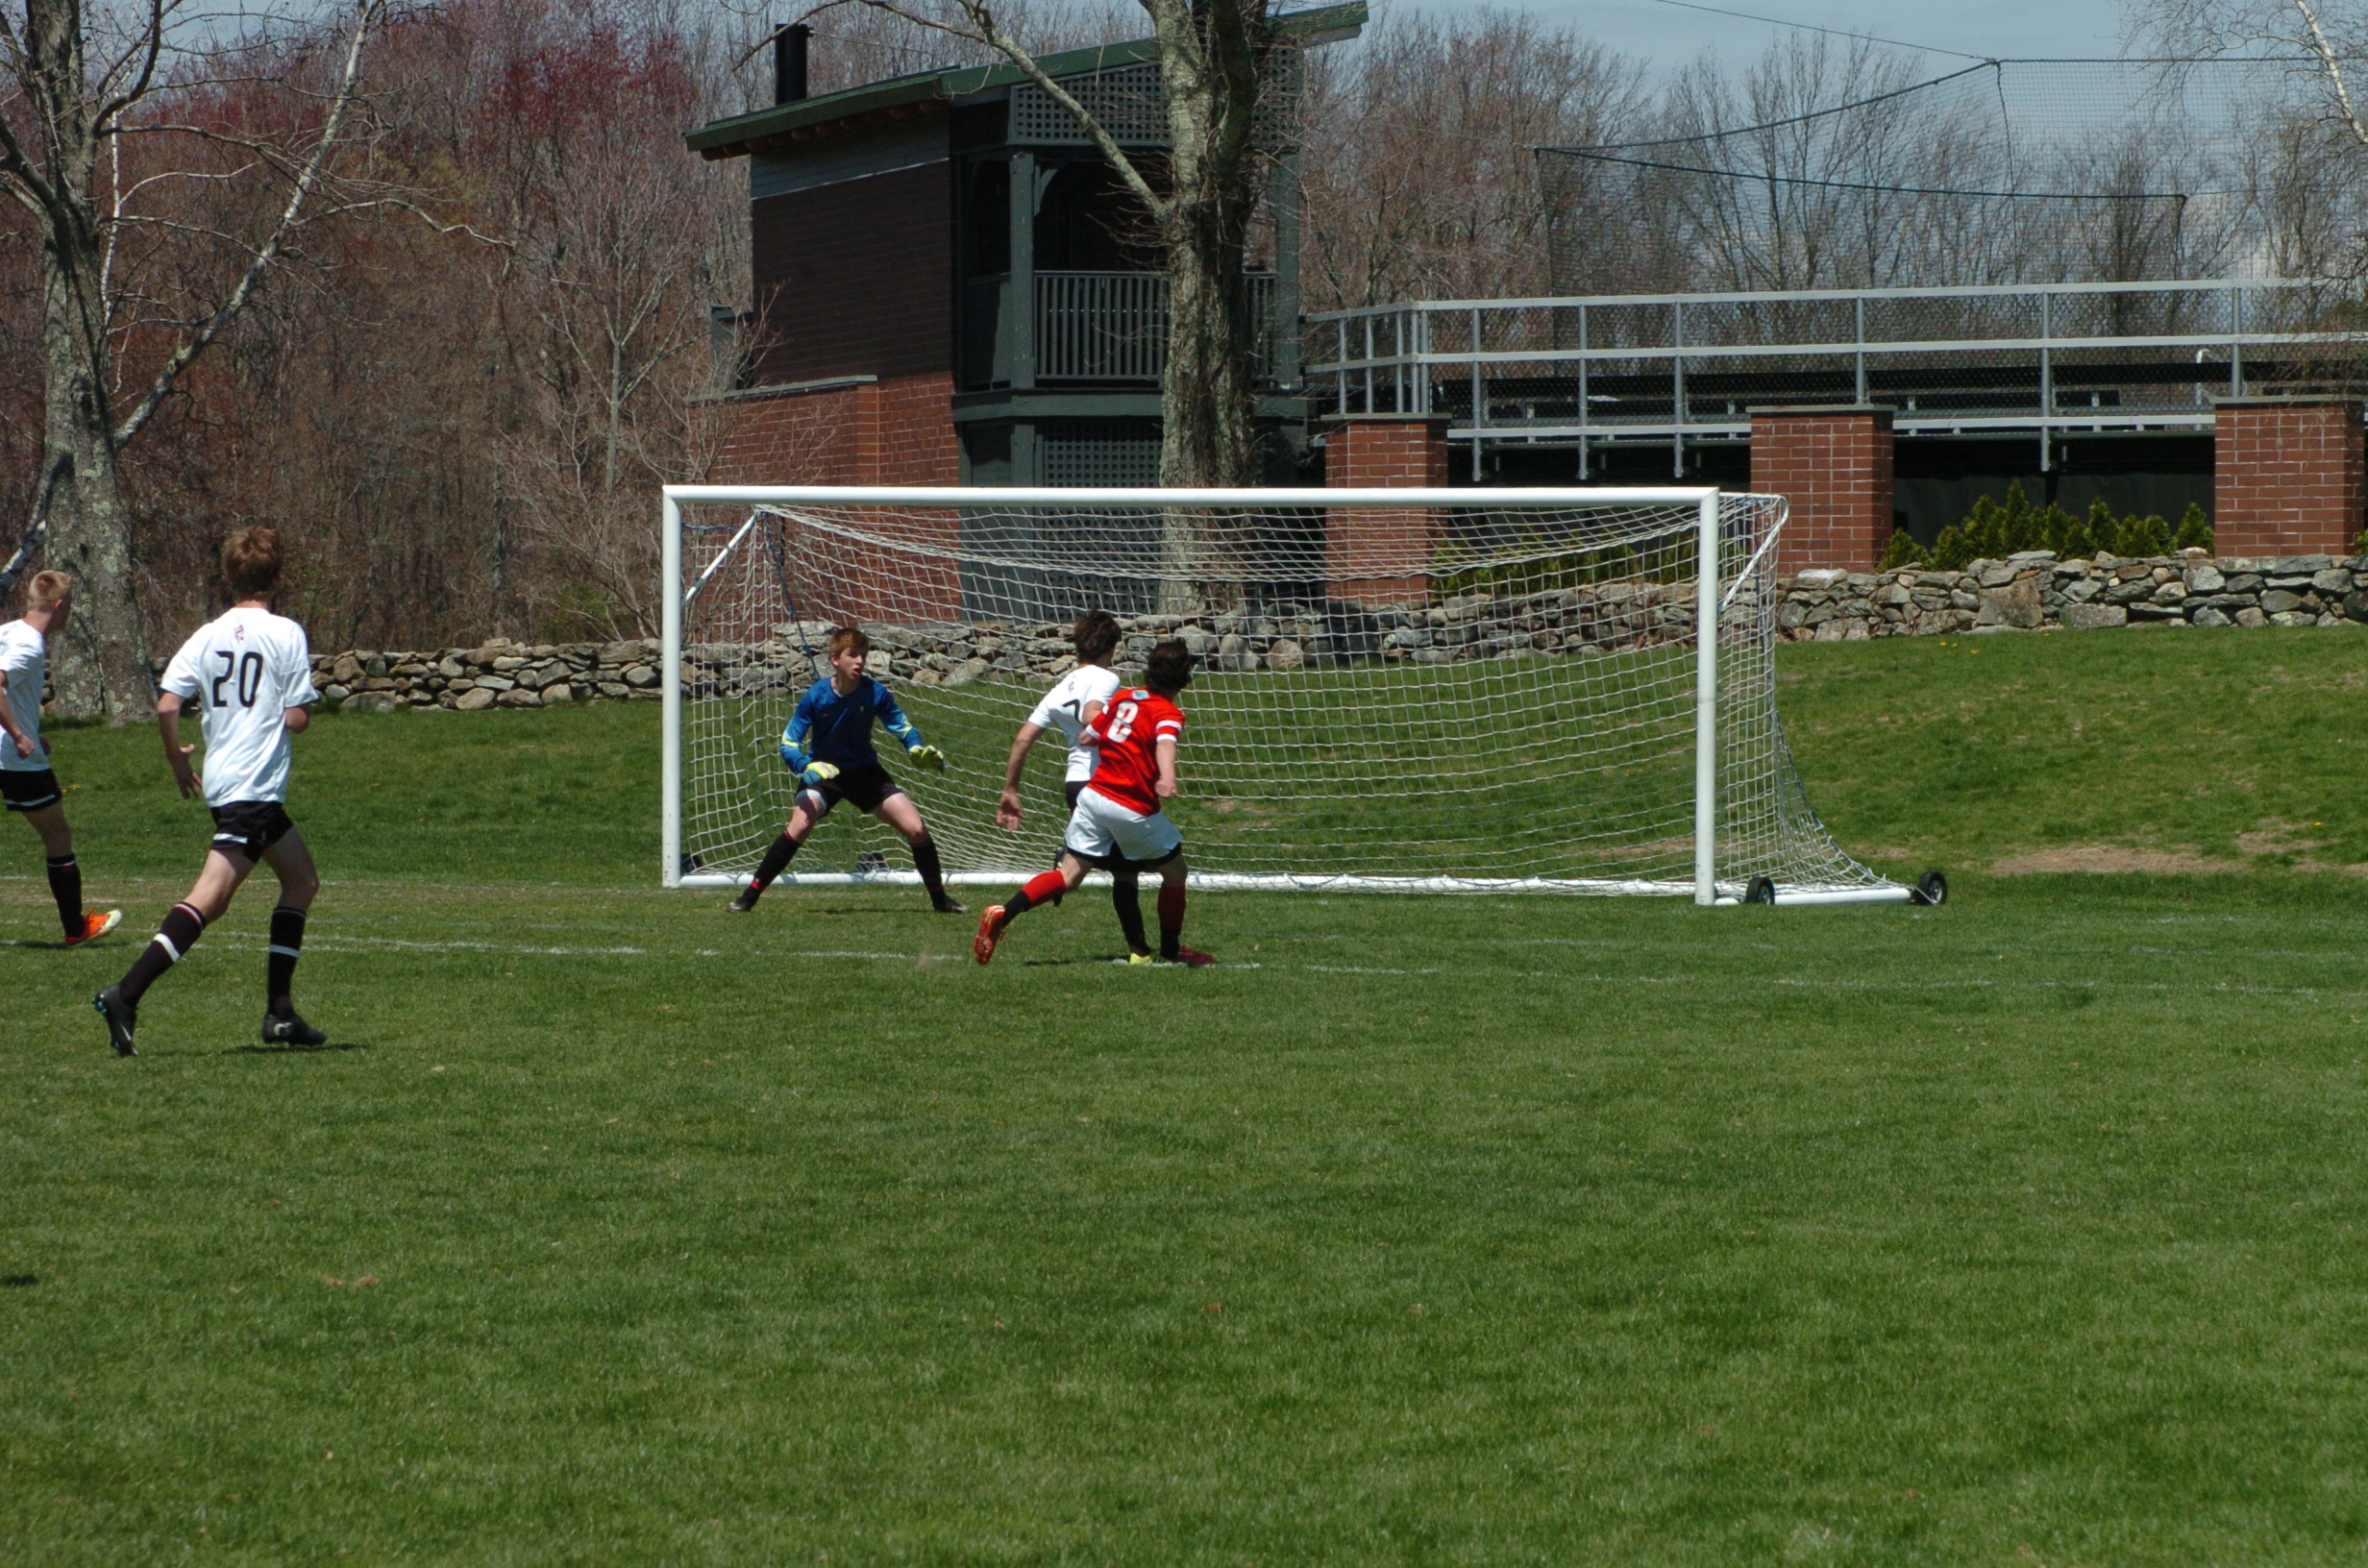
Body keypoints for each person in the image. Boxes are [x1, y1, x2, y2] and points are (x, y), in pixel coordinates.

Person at [93, 527, 326, 1055]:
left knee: (302, 880)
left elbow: (167, 704)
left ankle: (281, 1014)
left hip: (225, 781)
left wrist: (176, 758)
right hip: (254, 784)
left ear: (227, 577)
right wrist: (280, 710)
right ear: (278, 577)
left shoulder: (206, 634)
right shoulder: (286, 632)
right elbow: (298, 717)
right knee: (211, 897)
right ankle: (124, 993)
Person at [974, 639, 1211, 968]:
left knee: (1068, 876)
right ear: (1183, 680)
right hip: (1130, 805)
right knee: (1175, 872)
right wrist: (1167, 776)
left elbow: (1088, 735)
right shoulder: (1168, 713)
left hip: (1093, 797)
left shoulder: (1125, 697)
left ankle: (1004, 911)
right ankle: (1171, 950)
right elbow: (1166, 743)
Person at [728, 625, 961, 915]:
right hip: (823, 774)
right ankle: (748, 897)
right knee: (799, 826)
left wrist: (915, 748)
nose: (860, 661)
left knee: (916, 829)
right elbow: (788, 743)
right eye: (853, 654)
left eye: (863, 654)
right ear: (835, 659)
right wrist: (805, 766)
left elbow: (903, 728)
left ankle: (941, 901)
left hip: (865, 772)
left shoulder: (874, 692)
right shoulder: (816, 695)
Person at [996, 608, 1150, 959]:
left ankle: (1004, 913)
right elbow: (1091, 714)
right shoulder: (1106, 678)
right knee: (1126, 871)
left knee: (1087, 870)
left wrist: (1010, 790)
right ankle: (1139, 951)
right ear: (1111, 648)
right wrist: (1133, 733)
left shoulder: (1058, 689)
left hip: (1075, 786)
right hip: (1104, 784)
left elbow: (1022, 739)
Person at [0, 571, 121, 946]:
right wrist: (18, 735)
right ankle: (76, 928)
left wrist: (29, 728)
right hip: (13, 759)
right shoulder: (30, 645)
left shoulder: (8, 631)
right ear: (59, 604)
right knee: (57, 835)